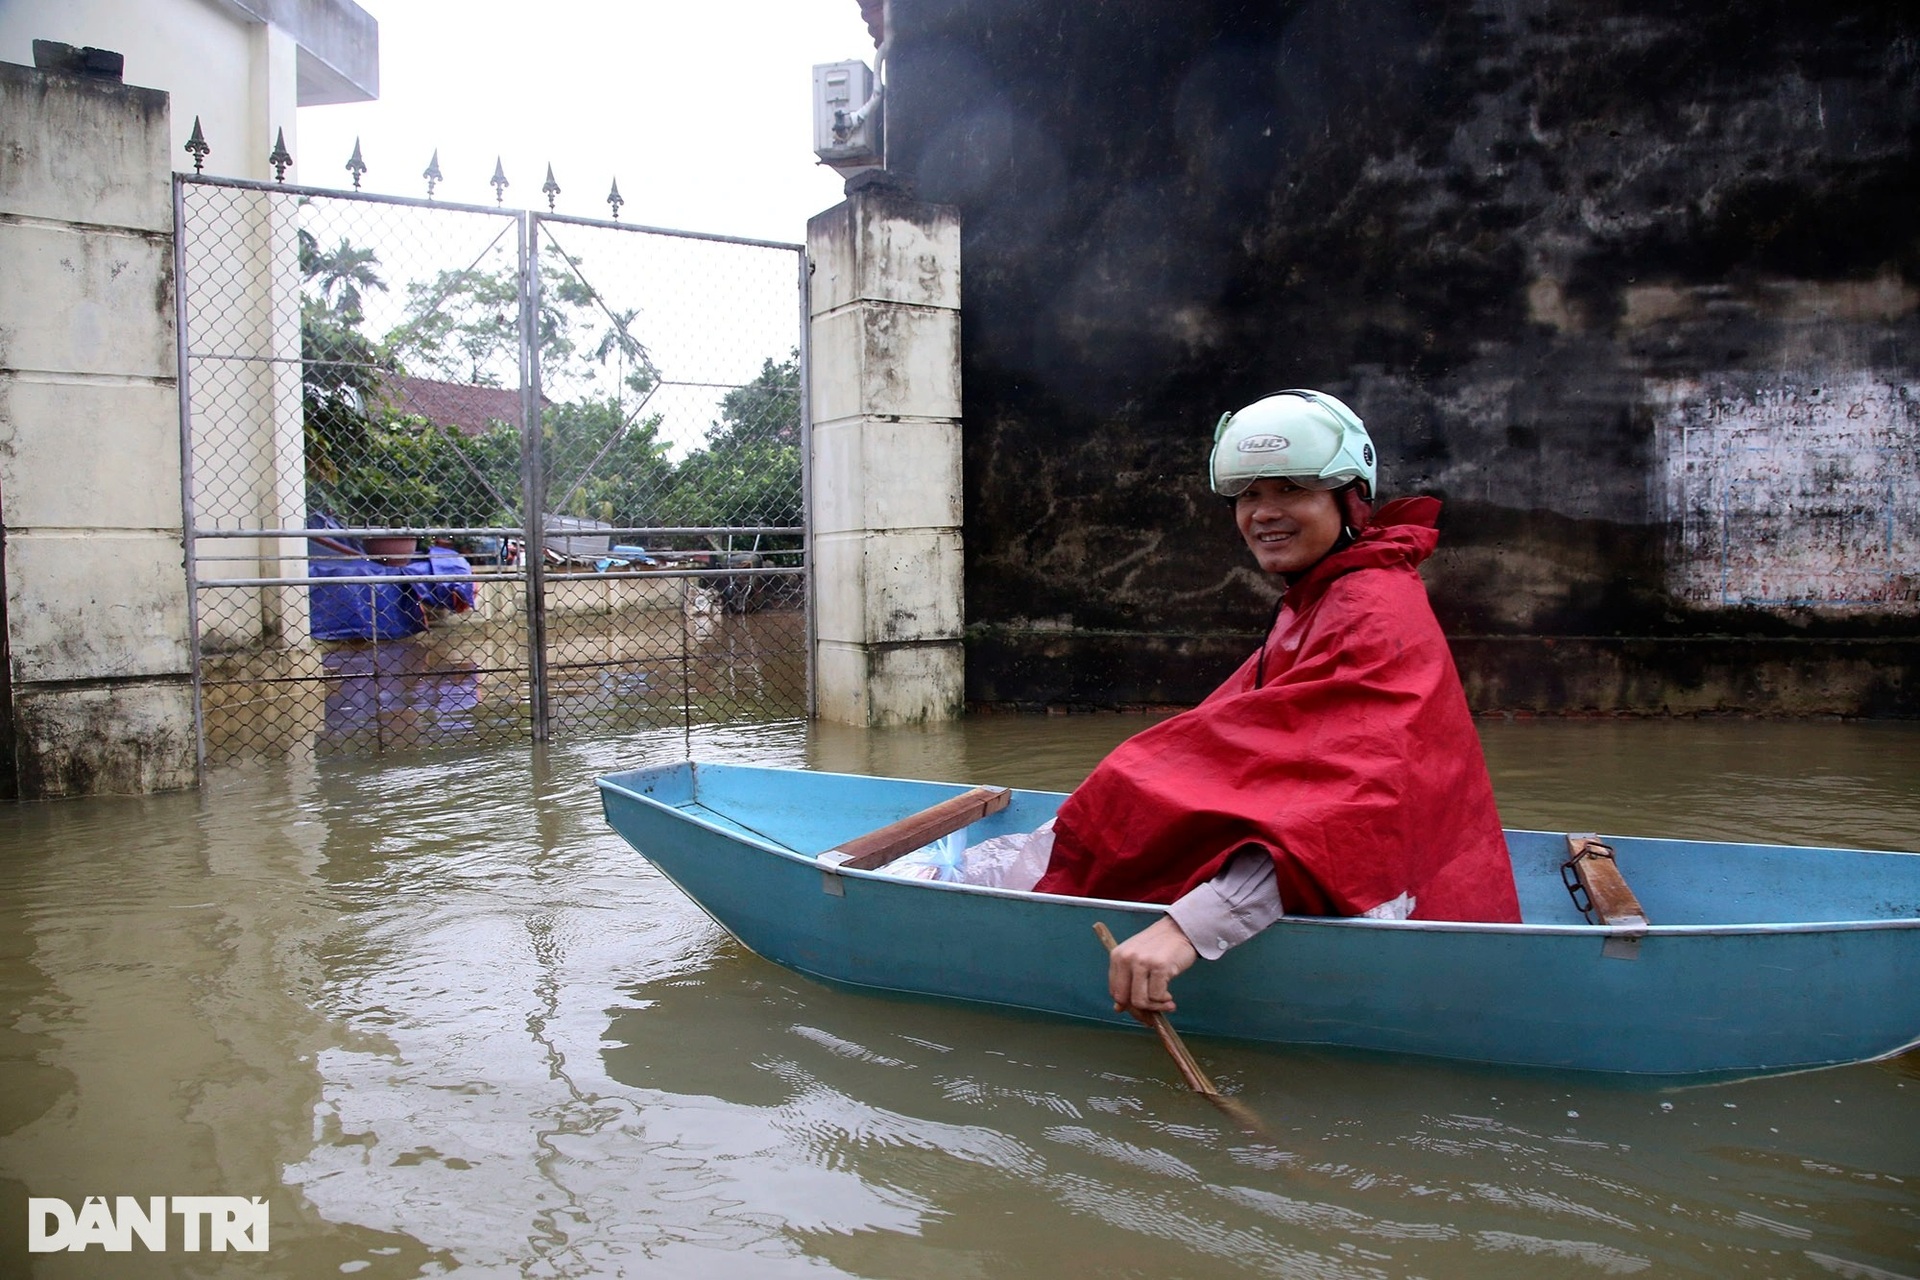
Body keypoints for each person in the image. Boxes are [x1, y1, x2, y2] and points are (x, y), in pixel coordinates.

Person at [1029, 389, 1523, 1020]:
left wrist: (1187, 930)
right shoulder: (1330, 595)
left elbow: (1344, 815)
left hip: (1416, 928)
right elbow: (1250, 759)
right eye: (1249, 495)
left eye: (1291, 490)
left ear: (1348, 500)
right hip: (1428, 886)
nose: (1263, 513)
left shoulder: (1368, 611)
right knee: (1134, 785)